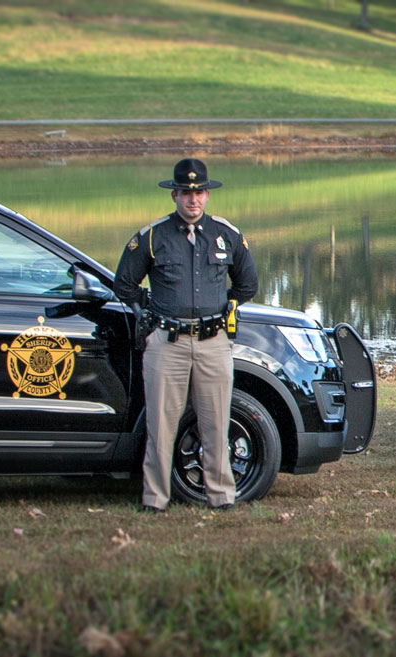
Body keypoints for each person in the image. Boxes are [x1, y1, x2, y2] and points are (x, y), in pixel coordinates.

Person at [115, 158, 258, 512]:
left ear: (207, 195)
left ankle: (221, 496)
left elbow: (248, 283)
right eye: (186, 193)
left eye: (199, 193)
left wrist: (225, 308)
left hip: (213, 342)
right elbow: (124, 284)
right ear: (174, 195)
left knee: (215, 423)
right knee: (160, 427)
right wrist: (145, 313)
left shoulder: (226, 235)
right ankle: (154, 499)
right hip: (168, 344)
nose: (193, 200)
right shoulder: (153, 237)